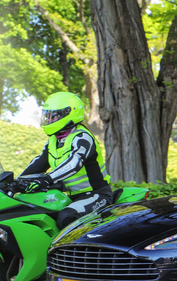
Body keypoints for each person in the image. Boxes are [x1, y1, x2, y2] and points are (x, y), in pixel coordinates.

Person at [18, 92, 112, 230]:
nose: (49, 120)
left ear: (69, 114)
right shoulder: (53, 140)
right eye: (47, 115)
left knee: (66, 217)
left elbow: (74, 163)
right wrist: (16, 182)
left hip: (96, 195)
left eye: (53, 116)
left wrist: (47, 179)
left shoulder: (82, 137)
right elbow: (39, 163)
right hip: (70, 196)